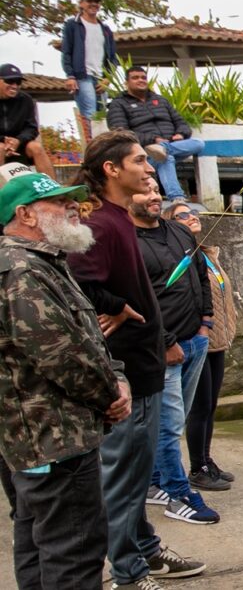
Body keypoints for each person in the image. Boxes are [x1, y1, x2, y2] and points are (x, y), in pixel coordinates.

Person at [69, 130, 205, 589]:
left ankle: (145, 549)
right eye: (139, 161)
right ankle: (129, 572)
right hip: (125, 371)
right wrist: (117, 306)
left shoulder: (118, 218)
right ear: (112, 169)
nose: (150, 169)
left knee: (136, 473)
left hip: (145, 366)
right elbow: (78, 282)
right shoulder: (100, 225)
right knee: (124, 480)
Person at [0, 172, 131, 589]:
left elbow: (83, 338)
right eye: (59, 202)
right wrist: (112, 394)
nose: (73, 207)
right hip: (54, 440)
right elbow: (61, 355)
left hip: (43, 438)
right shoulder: (22, 271)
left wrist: (116, 376)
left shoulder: (41, 262)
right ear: (25, 215)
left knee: (40, 543)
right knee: (73, 551)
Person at [127, 182, 217, 523]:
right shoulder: (129, 244)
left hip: (195, 340)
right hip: (163, 350)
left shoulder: (180, 234)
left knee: (174, 421)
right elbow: (136, 299)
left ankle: (154, 481)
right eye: (143, 190)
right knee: (167, 425)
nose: (152, 195)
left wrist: (205, 323)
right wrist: (165, 342)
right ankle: (179, 495)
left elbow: (201, 277)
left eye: (154, 191)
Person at [167, 202, 237, 491]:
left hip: (217, 340)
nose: (191, 217)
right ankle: (198, 467)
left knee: (210, 406)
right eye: (182, 215)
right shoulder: (181, 257)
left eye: (192, 213)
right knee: (199, 406)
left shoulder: (206, 255)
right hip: (199, 341)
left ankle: (207, 459)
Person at [106, 66, 205, 203]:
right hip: (145, 151)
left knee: (198, 143)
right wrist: (153, 139)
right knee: (165, 159)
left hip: (172, 144)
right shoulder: (118, 104)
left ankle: (163, 149)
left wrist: (181, 133)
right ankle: (177, 197)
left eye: (143, 77)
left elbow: (180, 122)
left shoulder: (161, 100)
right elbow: (120, 133)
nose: (140, 80)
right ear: (126, 82)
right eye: (135, 78)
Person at [60, 0, 118, 124]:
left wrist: (108, 78)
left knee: (102, 116)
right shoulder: (72, 25)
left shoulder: (105, 29)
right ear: (81, 4)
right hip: (83, 76)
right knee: (89, 115)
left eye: (96, 2)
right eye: (89, 1)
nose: (94, 4)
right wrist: (70, 75)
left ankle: (102, 144)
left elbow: (113, 57)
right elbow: (66, 51)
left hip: (101, 78)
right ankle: (91, 144)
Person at [0, 63, 57, 178]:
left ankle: (53, 191)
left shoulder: (26, 100)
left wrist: (18, 141)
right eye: (10, 81)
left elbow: (31, 128)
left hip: (19, 145)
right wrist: (3, 141)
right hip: (2, 145)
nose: (15, 86)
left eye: (18, 82)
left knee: (36, 147)